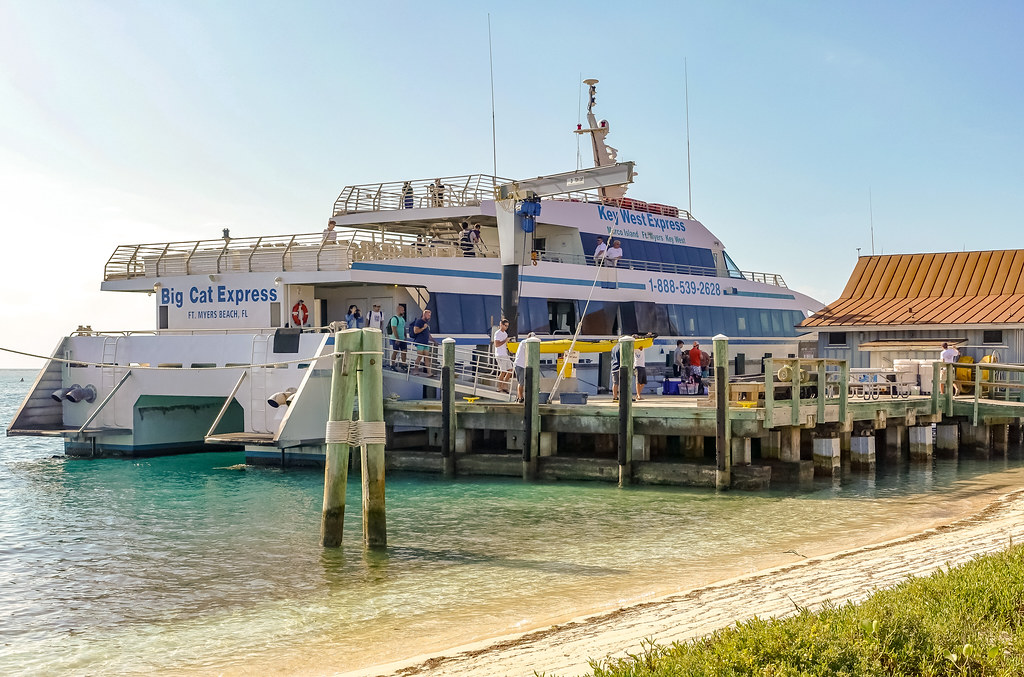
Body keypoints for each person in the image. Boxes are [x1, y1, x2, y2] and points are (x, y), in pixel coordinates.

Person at [410, 309, 434, 376]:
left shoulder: (426, 323)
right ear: (424, 314)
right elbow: (415, 331)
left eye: (430, 315)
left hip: (425, 342)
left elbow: (428, 334)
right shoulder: (419, 321)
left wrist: (434, 341)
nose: (429, 317)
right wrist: (423, 328)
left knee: (427, 357)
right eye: (428, 315)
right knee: (420, 356)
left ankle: (429, 373)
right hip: (420, 342)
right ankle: (415, 370)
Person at [513, 332, 535, 403]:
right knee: (521, 382)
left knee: (521, 382)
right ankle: (520, 398)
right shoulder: (524, 342)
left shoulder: (523, 343)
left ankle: (518, 396)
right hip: (520, 365)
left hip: (520, 365)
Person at [493, 318, 513, 393]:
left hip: (505, 354)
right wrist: (505, 340)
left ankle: (504, 385)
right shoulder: (497, 333)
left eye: (507, 326)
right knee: (503, 371)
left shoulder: (505, 334)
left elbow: (504, 344)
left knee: (510, 370)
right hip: (500, 355)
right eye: (505, 325)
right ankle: (499, 387)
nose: (506, 327)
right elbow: (496, 344)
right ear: (501, 324)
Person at [388, 305, 408, 370]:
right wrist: (397, 338)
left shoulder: (402, 319)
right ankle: (393, 365)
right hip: (395, 338)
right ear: (398, 310)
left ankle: (403, 364)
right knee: (395, 351)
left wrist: (405, 336)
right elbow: (394, 328)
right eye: (402, 310)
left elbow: (403, 328)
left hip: (402, 339)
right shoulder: (394, 319)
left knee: (404, 351)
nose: (403, 311)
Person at [633, 336, 647, 401]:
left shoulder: (642, 345)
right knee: (638, 381)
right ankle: (638, 395)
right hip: (637, 365)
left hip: (642, 365)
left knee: (643, 381)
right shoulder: (634, 347)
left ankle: (638, 394)